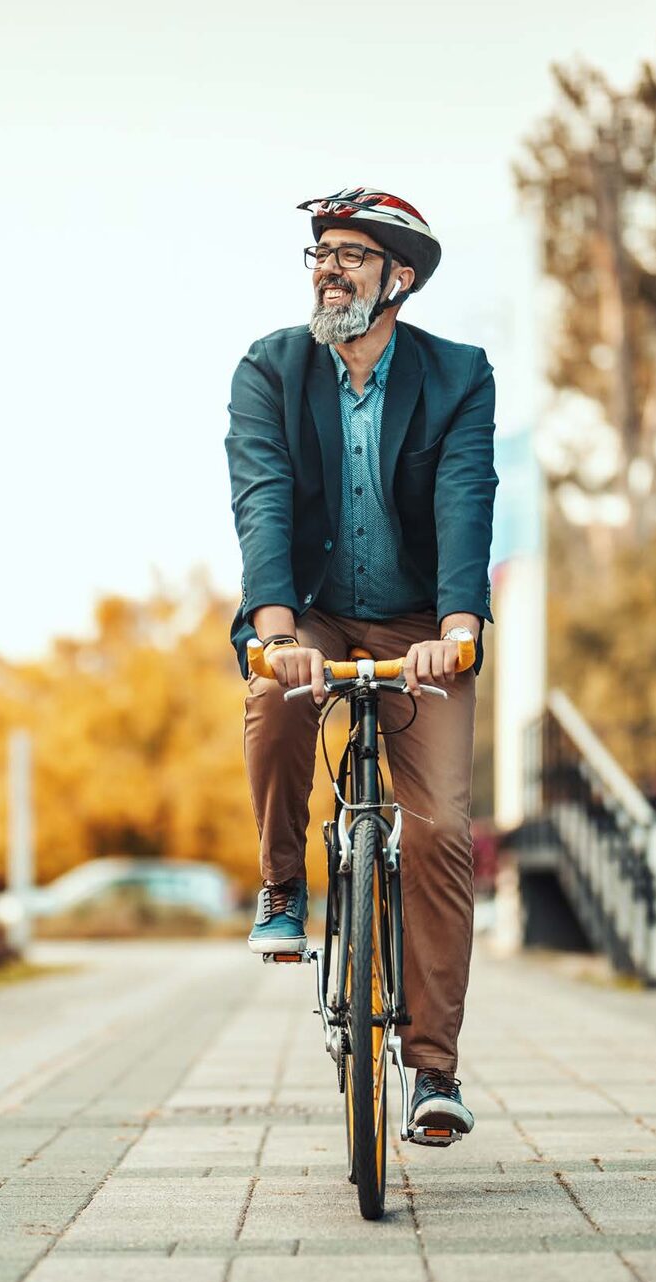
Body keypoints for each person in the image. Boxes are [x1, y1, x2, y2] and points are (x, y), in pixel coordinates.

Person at [224, 187, 497, 1138]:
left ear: (399, 278)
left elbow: (468, 496)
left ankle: (432, 1074)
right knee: (276, 694)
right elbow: (260, 494)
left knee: (436, 832)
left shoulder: (459, 375)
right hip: (316, 612)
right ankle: (281, 883)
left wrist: (459, 624)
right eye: (321, 253)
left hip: (424, 620)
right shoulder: (270, 367)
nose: (329, 266)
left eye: (351, 254)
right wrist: (277, 628)